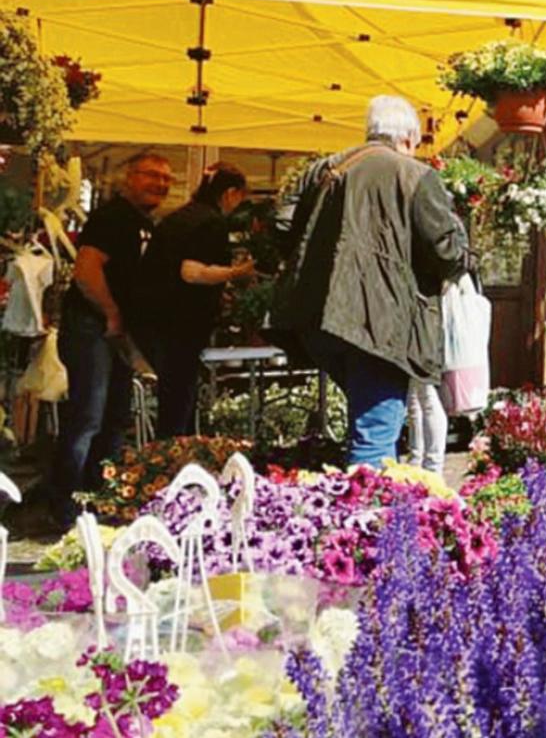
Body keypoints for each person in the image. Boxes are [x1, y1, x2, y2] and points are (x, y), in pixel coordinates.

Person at [273, 95, 467, 467]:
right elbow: (446, 251)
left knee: (370, 420)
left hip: (319, 317)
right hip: (379, 320)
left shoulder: (323, 169)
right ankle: (371, 519)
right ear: (409, 138)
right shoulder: (415, 175)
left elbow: (281, 224)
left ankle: (377, 509)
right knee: (375, 433)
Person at [46, 153, 173, 529]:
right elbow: (86, 271)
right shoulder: (111, 217)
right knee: (88, 416)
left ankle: (100, 500)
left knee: (114, 418)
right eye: (152, 175)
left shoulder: (141, 223)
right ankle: (66, 505)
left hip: (113, 333)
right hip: (93, 328)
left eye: (166, 178)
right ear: (128, 178)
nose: (161, 184)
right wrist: (112, 312)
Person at [135, 162, 255, 440]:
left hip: (155, 321)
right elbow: (191, 272)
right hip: (178, 325)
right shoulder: (210, 222)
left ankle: (174, 459)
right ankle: (175, 464)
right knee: (178, 403)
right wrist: (237, 272)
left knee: (174, 400)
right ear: (230, 193)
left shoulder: (183, 217)